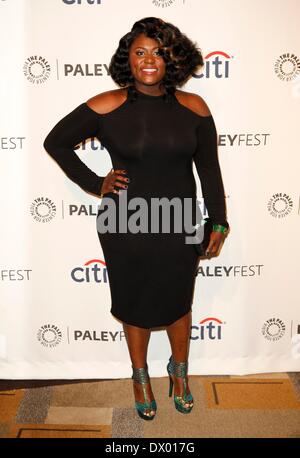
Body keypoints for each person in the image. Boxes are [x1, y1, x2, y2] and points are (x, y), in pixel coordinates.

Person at [43, 17, 229, 421]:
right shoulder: (106, 104)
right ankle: (140, 376)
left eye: (159, 52)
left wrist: (219, 221)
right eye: (140, 51)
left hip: (178, 221)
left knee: (180, 302)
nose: (149, 60)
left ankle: (179, 374)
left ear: (173, 59)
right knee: (134, 301)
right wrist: (96, 183)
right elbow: (55, 142)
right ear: (128, 57)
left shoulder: (194, 107)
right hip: (124, 223)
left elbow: (209, 170)